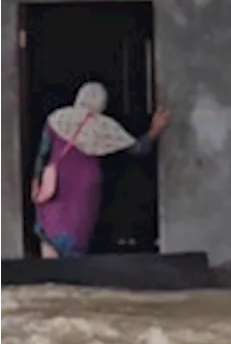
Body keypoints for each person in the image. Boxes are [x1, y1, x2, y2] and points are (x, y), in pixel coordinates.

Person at [30, 81, 170, 259]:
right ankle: (72, 273)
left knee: (51, 226)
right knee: (77, 230)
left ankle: (50, 268)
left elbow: (42, 153)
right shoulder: (105, 130)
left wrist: (35, 180)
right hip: (86, 186)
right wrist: (154, 130)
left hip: (56, 182)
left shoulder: (57, 119)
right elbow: (139, 149)